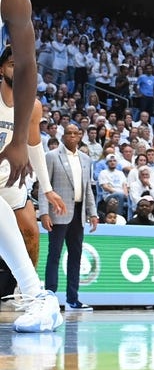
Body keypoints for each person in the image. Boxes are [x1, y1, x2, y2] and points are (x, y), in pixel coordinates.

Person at [0, 0, 64, 332]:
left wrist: (20, 143)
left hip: (12, 167)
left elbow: (27, 65)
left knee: (29, 229)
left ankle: (34, 293)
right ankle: (36, 292)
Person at [0, 45, 64, 300]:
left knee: (30, 232)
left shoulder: (33, 106)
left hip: (11, 180)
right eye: (14, 65)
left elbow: (34, 145)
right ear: (2, 68)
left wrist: (47, 189)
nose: (20, 70)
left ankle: (21, 293)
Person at [40, 123, 98, 312]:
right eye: (69, 133)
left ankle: (73, 299)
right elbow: (44, 187)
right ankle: (50, 298)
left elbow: (88, 188)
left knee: (76, 256)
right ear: (63, 136)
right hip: (58, 212)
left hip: (79, 212)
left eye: (76, 133)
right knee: (54, 255)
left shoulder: (86, 159)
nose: (72, 136)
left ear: (80, 136)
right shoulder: (51, 156)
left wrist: (93, 213)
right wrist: (44, 213)